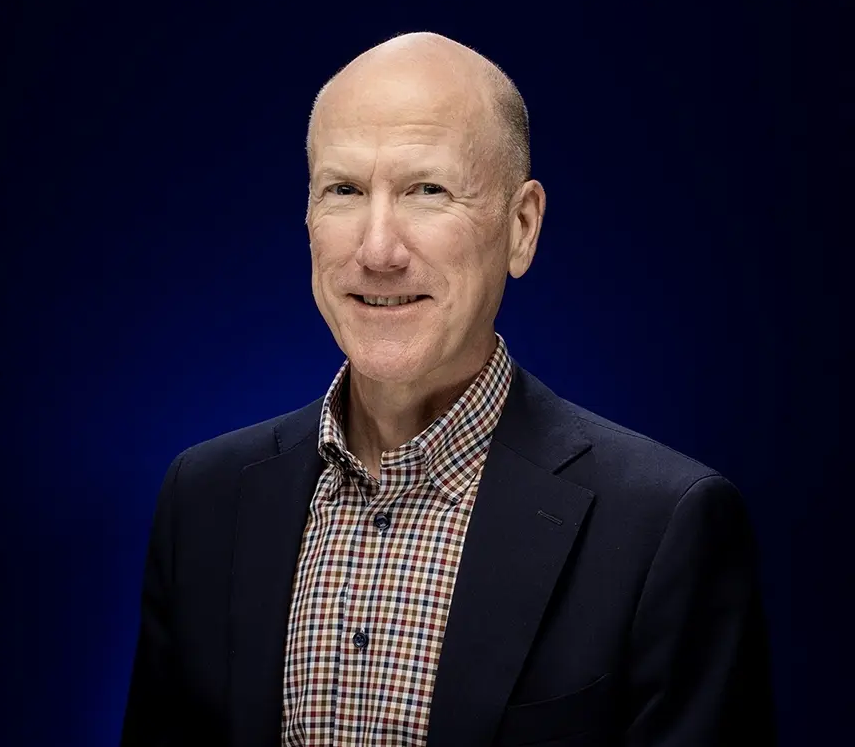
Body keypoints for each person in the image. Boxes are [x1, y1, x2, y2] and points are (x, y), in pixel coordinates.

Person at [121, 31, 775, 747]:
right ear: (307, 219)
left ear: (521, 227)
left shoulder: (664, 526)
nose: (377, 250)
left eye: (426, 190)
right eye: (343, 190)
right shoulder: (204, 498)